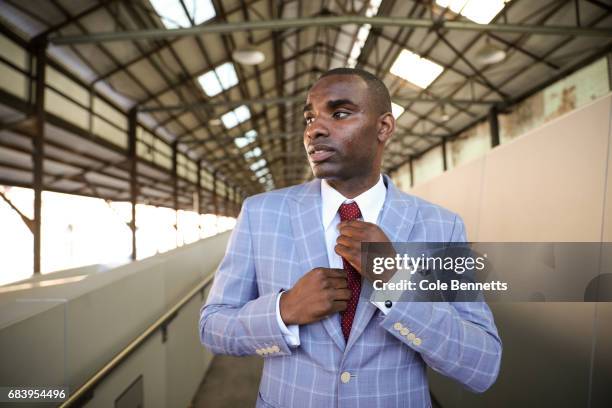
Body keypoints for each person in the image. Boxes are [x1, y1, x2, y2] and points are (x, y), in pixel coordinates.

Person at [199, 67, 501, 407]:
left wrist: (396, 281)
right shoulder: (261, 214)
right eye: (309, 118)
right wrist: (283, 310)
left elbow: (482, 362)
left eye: (339, 113)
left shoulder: (440, 227)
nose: (314, 130)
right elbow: (213, 327)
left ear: (384, 127)